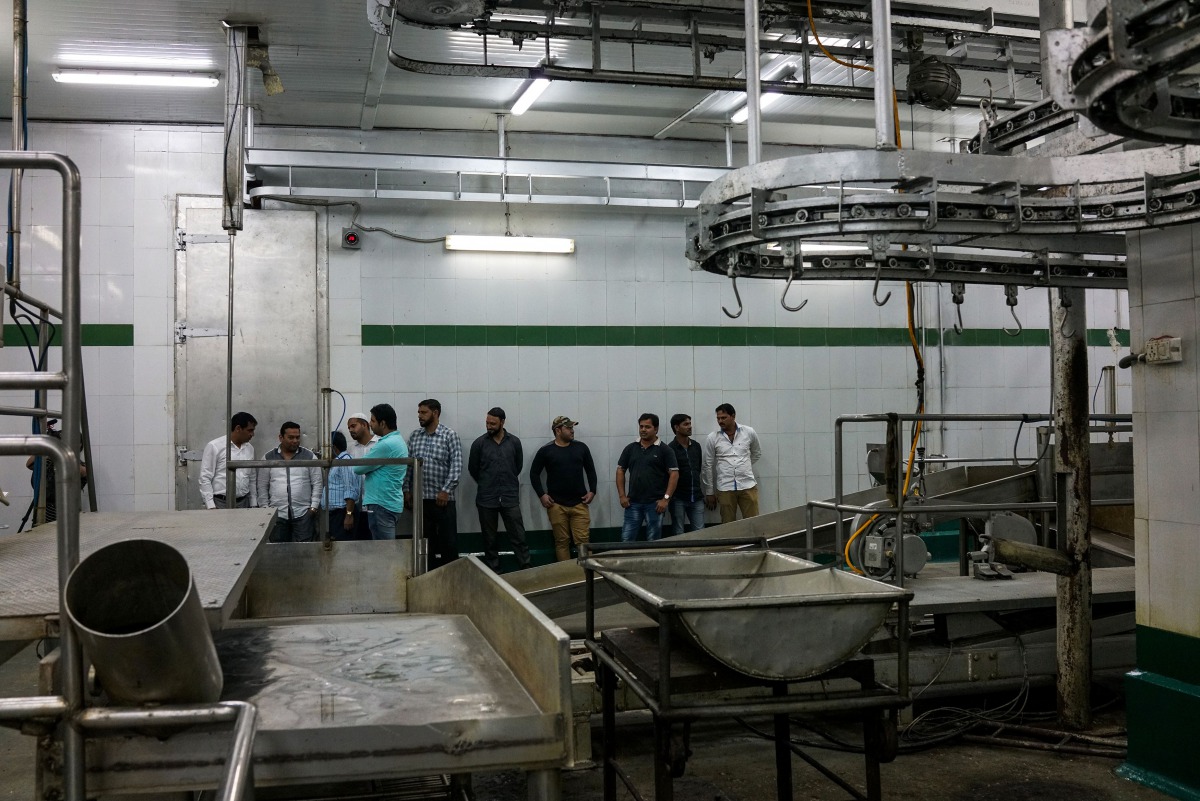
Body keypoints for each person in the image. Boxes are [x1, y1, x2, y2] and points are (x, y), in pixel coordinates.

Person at [467, 407, 531, 571]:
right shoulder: (479, 444)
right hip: (486, 498)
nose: (489, 426)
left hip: (509, 497)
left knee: (518, 535)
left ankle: (525, 566)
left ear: (502, 422)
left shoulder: (514, 442)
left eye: (493, 423)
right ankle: (494, 570)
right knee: (489, 538)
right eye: (487, 423)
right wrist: (487, 483)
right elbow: (473, 469)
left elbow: (517, 466)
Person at [529, 416, 598, 561]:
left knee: (583, 543)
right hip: (556, 505)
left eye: (572, 428)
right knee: (561, 543)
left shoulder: (581, 448)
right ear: (558, 430)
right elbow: (534, 474)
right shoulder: (546, 451)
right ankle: (566, 579)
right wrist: (542, 495)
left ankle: (587, 577)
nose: (572, 431)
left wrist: (592, 491)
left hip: (580, 503)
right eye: (569, 428)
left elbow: (591, 471)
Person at [404, 399, 462, 568]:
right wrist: (407, 491)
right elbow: (409, 466)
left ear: (435, 413)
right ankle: (427, 578)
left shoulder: (449, 435)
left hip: (443, 500)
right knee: (425, 544)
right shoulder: (415, 436)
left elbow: (456, 465)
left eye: (424, 412)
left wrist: (446, 490)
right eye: (419, 413)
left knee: (448, 544)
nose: (420, 416)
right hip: (420, 501)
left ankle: (451, 580)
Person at [616, 413, 679, 542]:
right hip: (632, 503)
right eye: (641, 426)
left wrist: (665, 499)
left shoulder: (665, 450)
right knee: (627, 539)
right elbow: (620, 470)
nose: (643, 430)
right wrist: (622, 496)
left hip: (655, 504)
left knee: (653, 540)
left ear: (656, 429)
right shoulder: (631, 448)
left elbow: (674, 474)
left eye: (647, 427)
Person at [257, 421, 323, 543]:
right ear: (281, 438)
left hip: (303, 514)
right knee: (278, 552)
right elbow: (262, 486)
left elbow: (317, 483)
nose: (295, 441)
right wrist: (265, 509)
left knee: (304, 552)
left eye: (297, 437)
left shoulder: (309, 456)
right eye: (291, 437)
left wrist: (313, 508)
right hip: (276, 515)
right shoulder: (268, 457)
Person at [354, 403, 408, 541]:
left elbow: (358, 468)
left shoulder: (386, 444)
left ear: (382, 423)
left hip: (381, 504)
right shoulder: (397, 440)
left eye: (372, 421)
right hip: (389, 502)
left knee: (384, 551)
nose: (370, 425)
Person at [702, 403, 763, 524]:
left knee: (753, 522)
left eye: (723, 417)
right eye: (718, 418)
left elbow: (757, 453)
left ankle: (754, 543)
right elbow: (707, 465)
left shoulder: (748, 432)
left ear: (733, 416)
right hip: (725, 487)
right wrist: (709, 492)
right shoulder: (713, 437)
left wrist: (743, 466)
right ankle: (730, 544)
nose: (720, 421)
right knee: (728, 524)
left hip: (747, 485)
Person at [24, 418, 89, 526]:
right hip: (44, 509)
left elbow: (80, 471)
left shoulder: (82, 466)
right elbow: (29, 464)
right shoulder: (49, 459)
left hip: (67, 512)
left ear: (80, 446)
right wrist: (47, 444)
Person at [197, 411, 257, 510]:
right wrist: (210, 505)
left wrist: (253, 502)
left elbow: (252, 477)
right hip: (221, 503)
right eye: (249, 430)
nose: (252, 434)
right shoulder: (215, 446)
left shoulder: (250, 448)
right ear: (238, 428)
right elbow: (205, 477)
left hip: (244, 503)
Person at [667, 413, 706, 535]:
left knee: (700, 532)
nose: (690, 427)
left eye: (690, 423)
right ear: (677, 428)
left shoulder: (696, 446)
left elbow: (697, 469)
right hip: (678, 497)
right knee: (679, 531)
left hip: (696, 496)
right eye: (686, 424)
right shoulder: (669, 449)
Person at [346, 411, 378, 539]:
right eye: (349, 428)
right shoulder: (351, 449)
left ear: (365, 425)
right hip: (359, 507)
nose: (350, 430)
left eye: (353, 426)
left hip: (378, 504)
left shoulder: (380, 444)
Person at [323, 431, 359, 541]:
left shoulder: (344, 461)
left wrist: (348, 515)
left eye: (325, 447)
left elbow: (350, 490)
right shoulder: (338, 461)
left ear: (333, 447)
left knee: (343, 548)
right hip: (336, 514)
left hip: (342, 513)